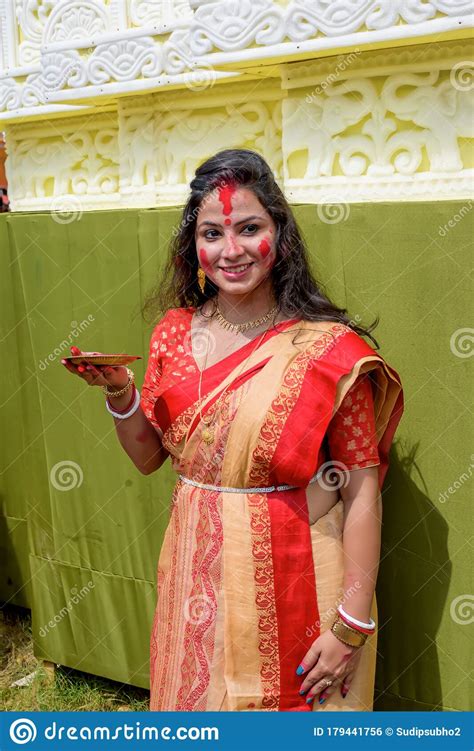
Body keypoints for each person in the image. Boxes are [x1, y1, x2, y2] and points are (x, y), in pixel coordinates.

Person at [61, 149, 404, 712]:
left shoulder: (327, 350)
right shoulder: (174, 333)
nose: (231, 250)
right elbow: (149, 458)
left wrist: (350, 623)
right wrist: (120, 392)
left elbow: (361, 488)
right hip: (195, 567)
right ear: (193, 247)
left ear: (282, 237)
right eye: (212, 233)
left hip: (299, 576)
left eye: (250, 228)